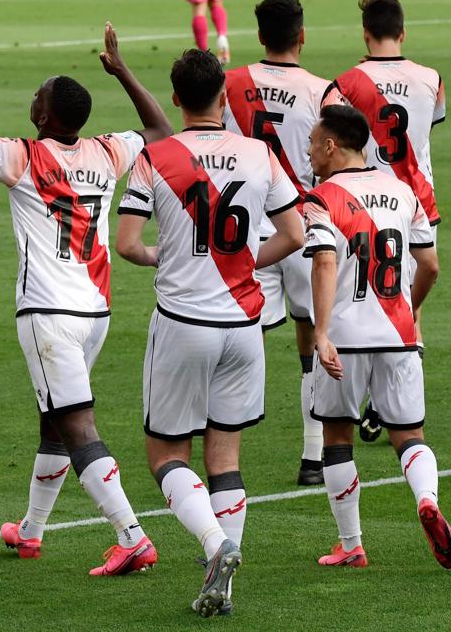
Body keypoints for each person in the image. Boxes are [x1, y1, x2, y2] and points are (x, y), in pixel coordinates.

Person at [0, 25, 170, 575]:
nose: (31, 99)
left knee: (77, 424)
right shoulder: (107, 151)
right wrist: (122, 71)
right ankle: (33, 531)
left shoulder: (24, 157)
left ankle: (130, 535)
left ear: (43, 116)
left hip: (48, 314)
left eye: (36, 96)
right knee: (55, 418)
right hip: (95, 312)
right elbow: (160, 128)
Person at [116, 49, 305, 616]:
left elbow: (127, 244)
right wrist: (248, 262)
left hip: (182, 323)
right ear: (224, 96)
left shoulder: (156, 157)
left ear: (175, 99)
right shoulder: (260, 155)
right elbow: (294, 235)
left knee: (165, 453)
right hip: (244, 325)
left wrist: (163, 256)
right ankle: (225, 583)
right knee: (225, 457)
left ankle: (215, 544)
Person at [303, 104, 451, 572]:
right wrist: (407, 308)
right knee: (409, 435)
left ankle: (351, 544)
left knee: (336, 437)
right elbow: (430, 265)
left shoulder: (321, 197)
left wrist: (322, 332)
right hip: (400, 331)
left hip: (344, 338)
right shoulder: (403, 191)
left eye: (313, 142)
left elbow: (325, 262)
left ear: (331, 145)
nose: (309, 151)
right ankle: (426, 499)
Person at [323, 0, 446, 443]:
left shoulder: (345, 84)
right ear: (403, 31)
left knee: (352, 299)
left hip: (361, 203)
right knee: (406, 302)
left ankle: (357, 402)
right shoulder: (431, 78)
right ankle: (392, 400)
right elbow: (426, 129)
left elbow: (336, 136)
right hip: (417, 203)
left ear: (364, 33)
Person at [221, 0, 330, 486]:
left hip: (247, 228)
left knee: (244, 335)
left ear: (260, 35)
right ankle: (312, 456)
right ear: (302, 35)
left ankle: (226, 459)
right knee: (311, 334)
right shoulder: (323, 91)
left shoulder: (230, 83)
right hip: (305, 223)